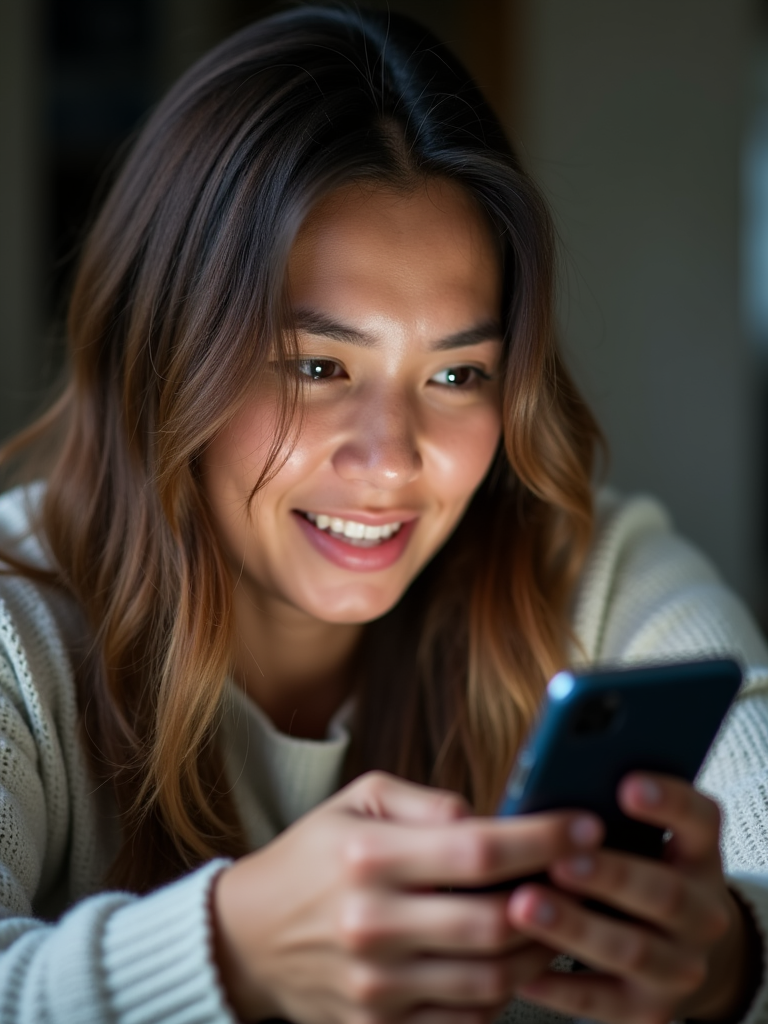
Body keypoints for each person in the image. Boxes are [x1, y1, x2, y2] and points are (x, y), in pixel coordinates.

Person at [0, 5, 767, 1023]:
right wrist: (225, 950)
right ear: (161, 358)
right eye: (318, 366)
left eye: (456, 372)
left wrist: (733, 958)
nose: (391, 456)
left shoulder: (593, 575)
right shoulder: (19, 622)